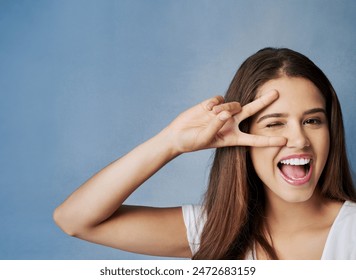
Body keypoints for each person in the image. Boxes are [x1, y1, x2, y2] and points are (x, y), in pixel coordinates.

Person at [53, 47, 356, 259]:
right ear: (243, 134)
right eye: (275, 123)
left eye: (312, 121)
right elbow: (75, 220)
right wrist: (171, 142)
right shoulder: (214, 231)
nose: (299, 139)